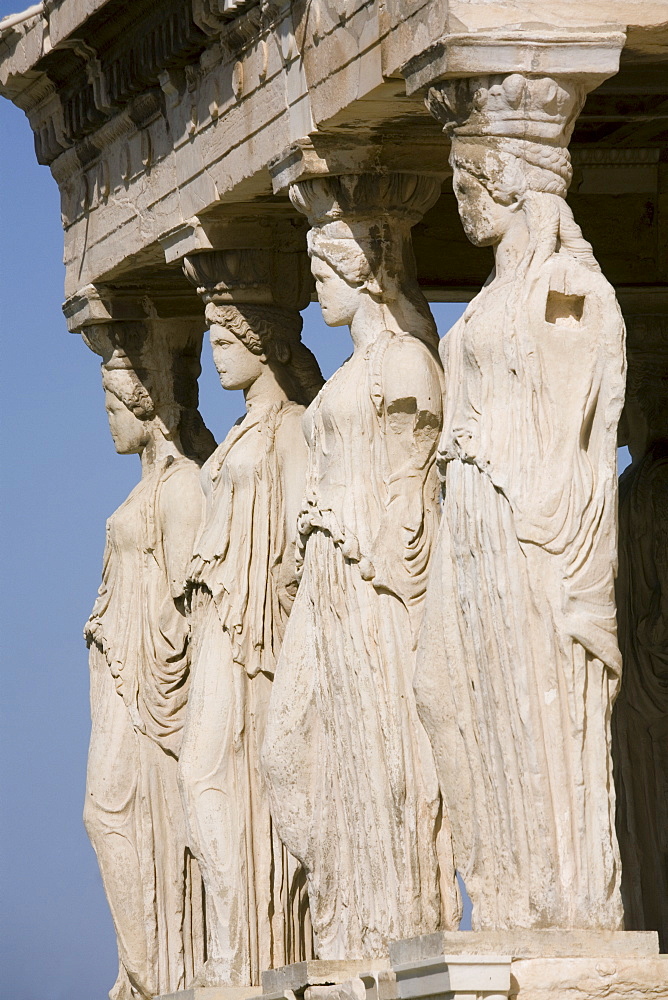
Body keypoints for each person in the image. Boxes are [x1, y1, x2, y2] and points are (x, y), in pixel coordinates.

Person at [416, 74, 626, 931]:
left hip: (520, 525)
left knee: (526, 702)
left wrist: (549, 520)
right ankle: (503, 891)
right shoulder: (494, 297)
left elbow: (591, 407)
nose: (463, 201)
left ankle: (556, 902)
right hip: (470, 523)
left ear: (505, 178)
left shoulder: (566, 284)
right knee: (447, 693)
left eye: (470, 181)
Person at [263, 173, 460, 961]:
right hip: (326, 577)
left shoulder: (407, 364)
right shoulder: (346, 377)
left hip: (377, 580)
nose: (315, 296)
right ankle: (348, 908)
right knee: (289, 751)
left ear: (359, 270)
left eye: (321, 276)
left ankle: (393, 923)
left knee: (383, 752)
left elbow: (422, 491)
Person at [178, 284, 323, 986]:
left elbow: (301, 533)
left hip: (258, 634)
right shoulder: (238, 432)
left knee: (218, 774)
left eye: (227, 342)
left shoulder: (292, 426)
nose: (215, 357)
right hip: (218, 624)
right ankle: (237, 946)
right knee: (206, 777)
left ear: (263, 342)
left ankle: (250, 952)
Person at [83, 322, 215, 1000]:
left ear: (143, 405)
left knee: (113, 816)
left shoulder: (185, 485)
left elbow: (193, 602)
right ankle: (148, 970)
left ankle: (160, 970)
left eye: (113, 407)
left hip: (159, 691)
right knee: (107, 816)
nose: (107, 423)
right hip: (121, 681)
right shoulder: (144, 489)